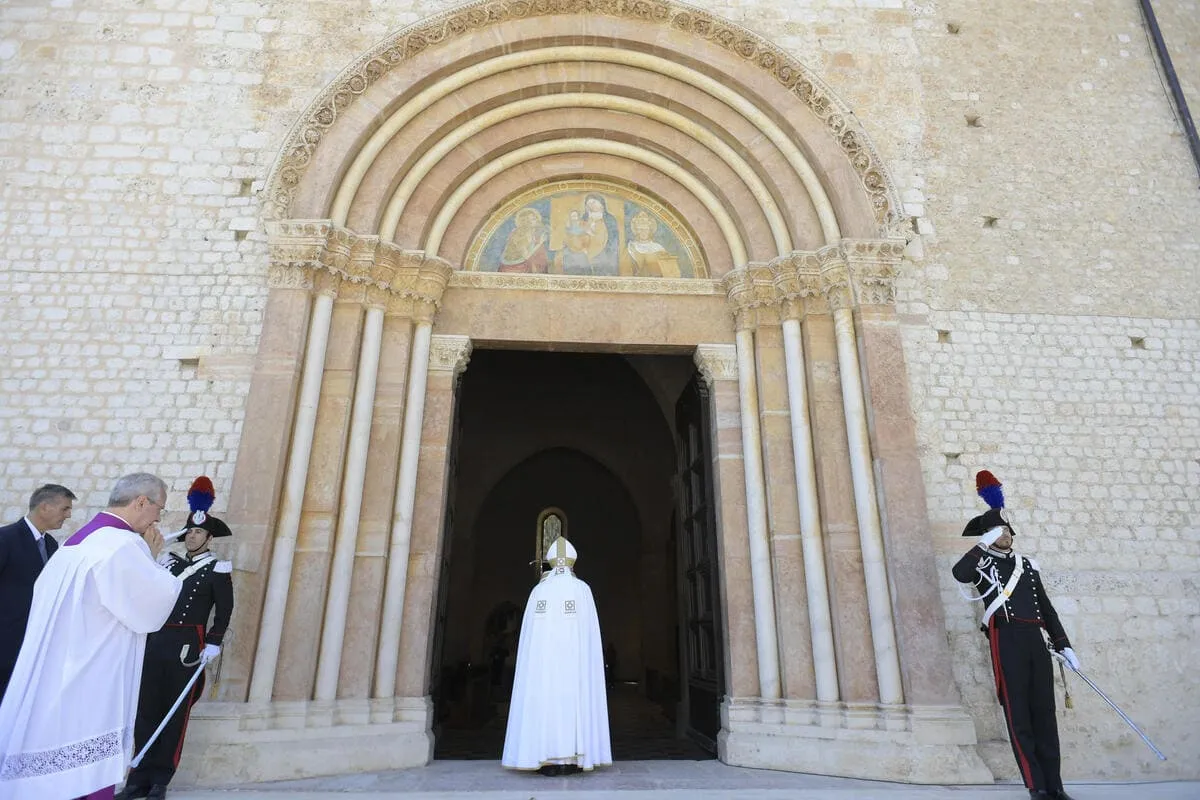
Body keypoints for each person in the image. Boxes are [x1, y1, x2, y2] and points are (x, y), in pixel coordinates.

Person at [0, 473, 182, 800]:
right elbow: (150, 610)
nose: (158, 518)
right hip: (93, 675)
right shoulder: (122, 545)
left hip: (61, 669)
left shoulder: (76, 542)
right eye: (160, 509)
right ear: (142, 501)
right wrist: (153, 561)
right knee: (87, 772)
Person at [952, 470, 1078, 800]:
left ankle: (1056, 786)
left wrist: (1064, 645)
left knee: (1045, 717)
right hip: (1006, 640)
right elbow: (959, 573)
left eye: (1006, 530)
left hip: (1036, 642)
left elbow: (1047, 609)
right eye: (997, 531)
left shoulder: (1027, 566)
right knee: (1019, 715)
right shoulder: (981, 566)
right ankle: (1036, 786)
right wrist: (983, 543)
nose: (1004, 535)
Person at [118, 477, 234, 800]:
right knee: (145, 710)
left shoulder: (217, 569)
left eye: (199, 532)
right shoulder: (167, 562)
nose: (193, 536)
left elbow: (224, 610)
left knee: (175, 715)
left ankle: (160, 779)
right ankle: (137, 778)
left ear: (210, 537)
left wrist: (214, 642)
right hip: (157, 642)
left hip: (188, 648)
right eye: (190, 531)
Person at [502, 536, 611, 775]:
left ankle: (542, 757)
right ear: (573, 562)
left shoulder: (539, 591)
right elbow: (590, 639)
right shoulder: (582, 590)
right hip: (575, 671)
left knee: (543, 702)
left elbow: (529, 641)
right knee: (574, 704)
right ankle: (574, 758)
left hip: (543, 671)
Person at [0, 483, 75, 700]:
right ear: (44, 507)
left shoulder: (51, 544)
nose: (68, 515)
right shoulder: (6, 539)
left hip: (31, 646)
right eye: (65, 509)